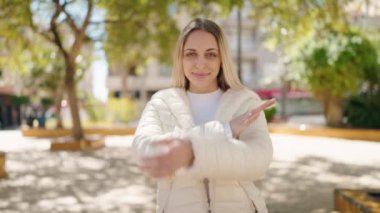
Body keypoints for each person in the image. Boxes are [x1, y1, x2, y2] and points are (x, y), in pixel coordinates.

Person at [132, 18, 275, 213]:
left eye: (210, 54)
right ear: (180, 58)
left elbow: (257, 161)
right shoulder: (161, 103)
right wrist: (226, 130)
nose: (201, 64)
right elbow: (143, 151)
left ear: (221, 58)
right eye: (191, 54)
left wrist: (189, 152)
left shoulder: (246, 101)